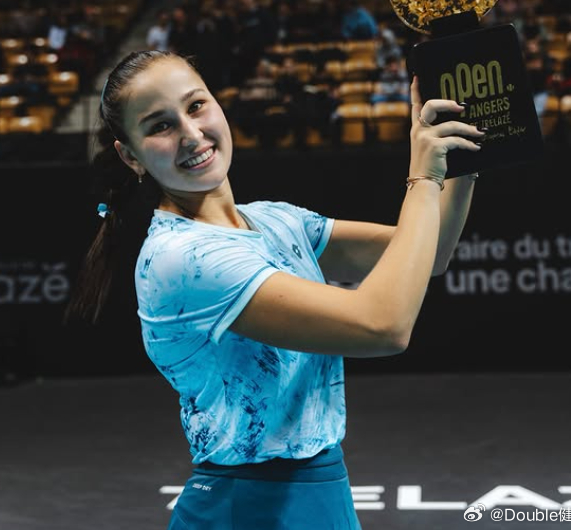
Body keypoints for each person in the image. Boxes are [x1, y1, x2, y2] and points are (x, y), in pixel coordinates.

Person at [64, 48, 484, 530]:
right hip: (249, 509)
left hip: (322, 490)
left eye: (196, 105)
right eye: (160, 126)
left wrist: (464, 155)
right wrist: (424, 177)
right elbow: (382, 325)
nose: (191, 134)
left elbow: (431, 253)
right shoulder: (182, 259)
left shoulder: (274, 220)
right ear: (130, 155)